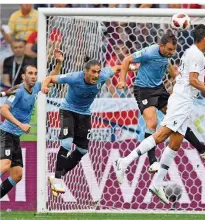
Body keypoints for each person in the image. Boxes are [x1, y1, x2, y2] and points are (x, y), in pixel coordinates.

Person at [115, 25, 205, 204]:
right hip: (173, 98)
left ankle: (157, 183)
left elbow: (177, 73)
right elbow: (192, 80)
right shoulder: (195, 55)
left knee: (176, 142)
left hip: (173, 95)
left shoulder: (188, 53)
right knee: (159, 132)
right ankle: (125, 162)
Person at [41, 58, 123, 197]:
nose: (96, 75)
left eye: (98, 72)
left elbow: (118, 67)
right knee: (66, 143)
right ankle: (58, 179)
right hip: (68, 111)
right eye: (93, 72)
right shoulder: (74, 77)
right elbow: (49, 78)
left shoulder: (103, 75)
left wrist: (132, 68)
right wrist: (44, 86)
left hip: (85, 114)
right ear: (85, 71)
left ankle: (56, 176)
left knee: (82, 150)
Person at [0, 51, 63, 199]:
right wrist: (21, 125)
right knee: (5, 165)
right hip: (6, 133)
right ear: (23, 76)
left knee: (17, 175)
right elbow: (3, 110)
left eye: (35, 73)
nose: (33, 76)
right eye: (30, 73)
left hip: (15, 136)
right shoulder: (19, 91)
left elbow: (51, 79)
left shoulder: (35, 88)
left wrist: (59, 63)